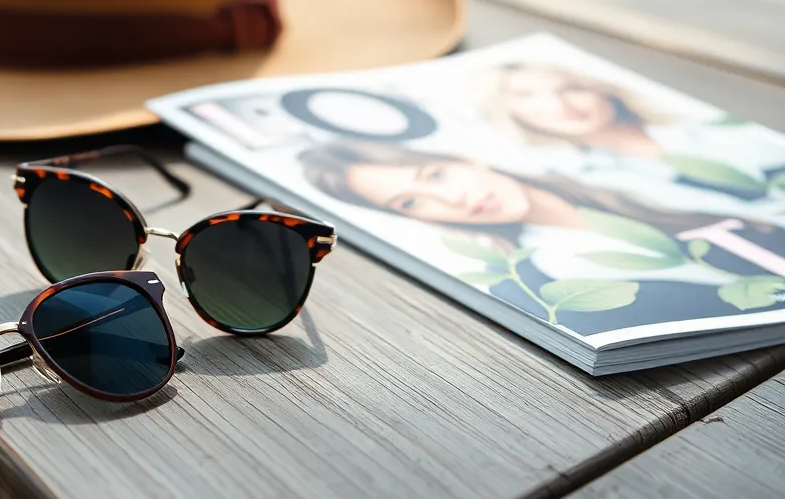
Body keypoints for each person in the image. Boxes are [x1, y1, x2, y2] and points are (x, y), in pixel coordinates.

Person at [299, 140, 785, 334]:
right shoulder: (552, 276)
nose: (453, 200)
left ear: (465, 159)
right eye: (410, 202)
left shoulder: (615, 171)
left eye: (435, 175)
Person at [474, 62, 785, 217]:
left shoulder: (699, 125)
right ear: (510, 113)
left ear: (600, 88)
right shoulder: (584, 177)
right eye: (526, 96)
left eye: (570, 88)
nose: (560, 106)